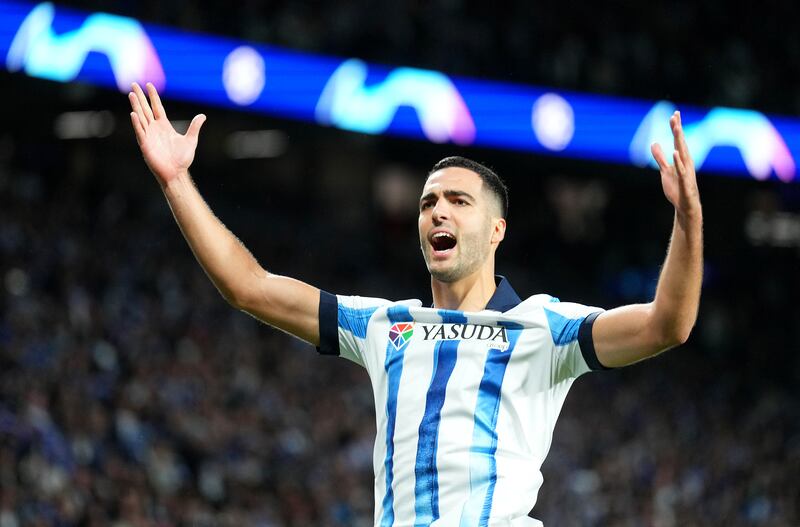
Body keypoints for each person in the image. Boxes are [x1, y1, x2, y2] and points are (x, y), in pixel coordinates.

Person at [127, 81, 703, 527]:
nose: (438, 211)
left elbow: (666, 325)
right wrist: (176, 181)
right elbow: (249, 287)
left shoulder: (544, 327)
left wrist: (687, 221)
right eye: (428, 203)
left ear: (497, 230)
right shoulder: (383, 325)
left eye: (458, 201)